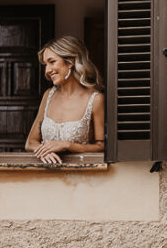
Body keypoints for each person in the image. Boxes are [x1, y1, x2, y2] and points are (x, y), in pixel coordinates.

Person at [25, 36, 106, 164]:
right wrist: (44, 151)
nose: (47, 70)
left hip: (82, 177)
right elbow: (30, 142)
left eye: (52, 62)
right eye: (46, 64)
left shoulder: (95, 99)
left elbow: (101, 146)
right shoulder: (48, 95)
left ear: (70, 62)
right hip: (45, 174)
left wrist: (67, 145)